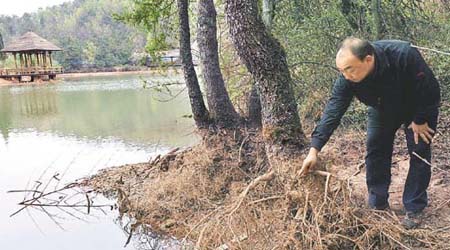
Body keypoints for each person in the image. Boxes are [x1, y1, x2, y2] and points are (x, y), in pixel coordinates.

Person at [299, 37, 441, 229]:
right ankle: (378, 203)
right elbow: (334, 109)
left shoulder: (403, 55)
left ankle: (414, 207)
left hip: (417, 106)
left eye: (349, 69)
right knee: (375, 148)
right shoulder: (347, 77)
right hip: (382, 107)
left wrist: (420, 119)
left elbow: (430, 88)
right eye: (341, 70)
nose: (346, 75)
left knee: (419, 151)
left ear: (368, 59)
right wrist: (314, 149)